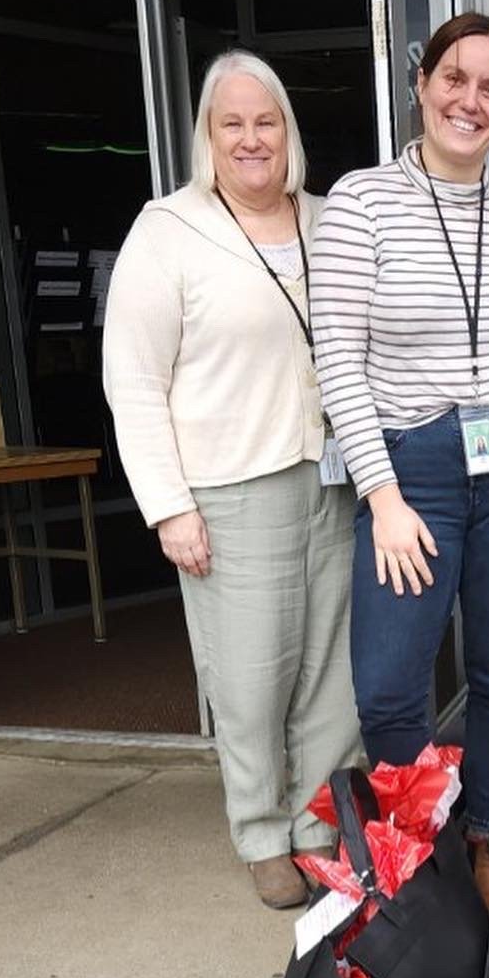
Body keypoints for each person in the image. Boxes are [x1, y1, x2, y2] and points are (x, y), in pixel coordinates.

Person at [311, 12, 489, 912]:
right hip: (412, 470)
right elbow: (337, 358)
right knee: (391, 684)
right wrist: (382, 496)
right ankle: (415, 846)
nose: (470, 100)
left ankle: (488, 838)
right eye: (455, 77)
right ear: (422, 80)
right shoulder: (362, 200)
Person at [103, 50, 362, 909]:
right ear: (207, 137)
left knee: (334, 671)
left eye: (267, 121)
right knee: (250, 677)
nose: (252, 139)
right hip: (228, 488)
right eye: (233, 124)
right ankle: (260, 831)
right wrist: (167, 506)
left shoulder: (331, 221)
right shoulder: (170, 230)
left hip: (334, 480)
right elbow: (132, 377)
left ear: (289, 130)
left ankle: (320, 823)